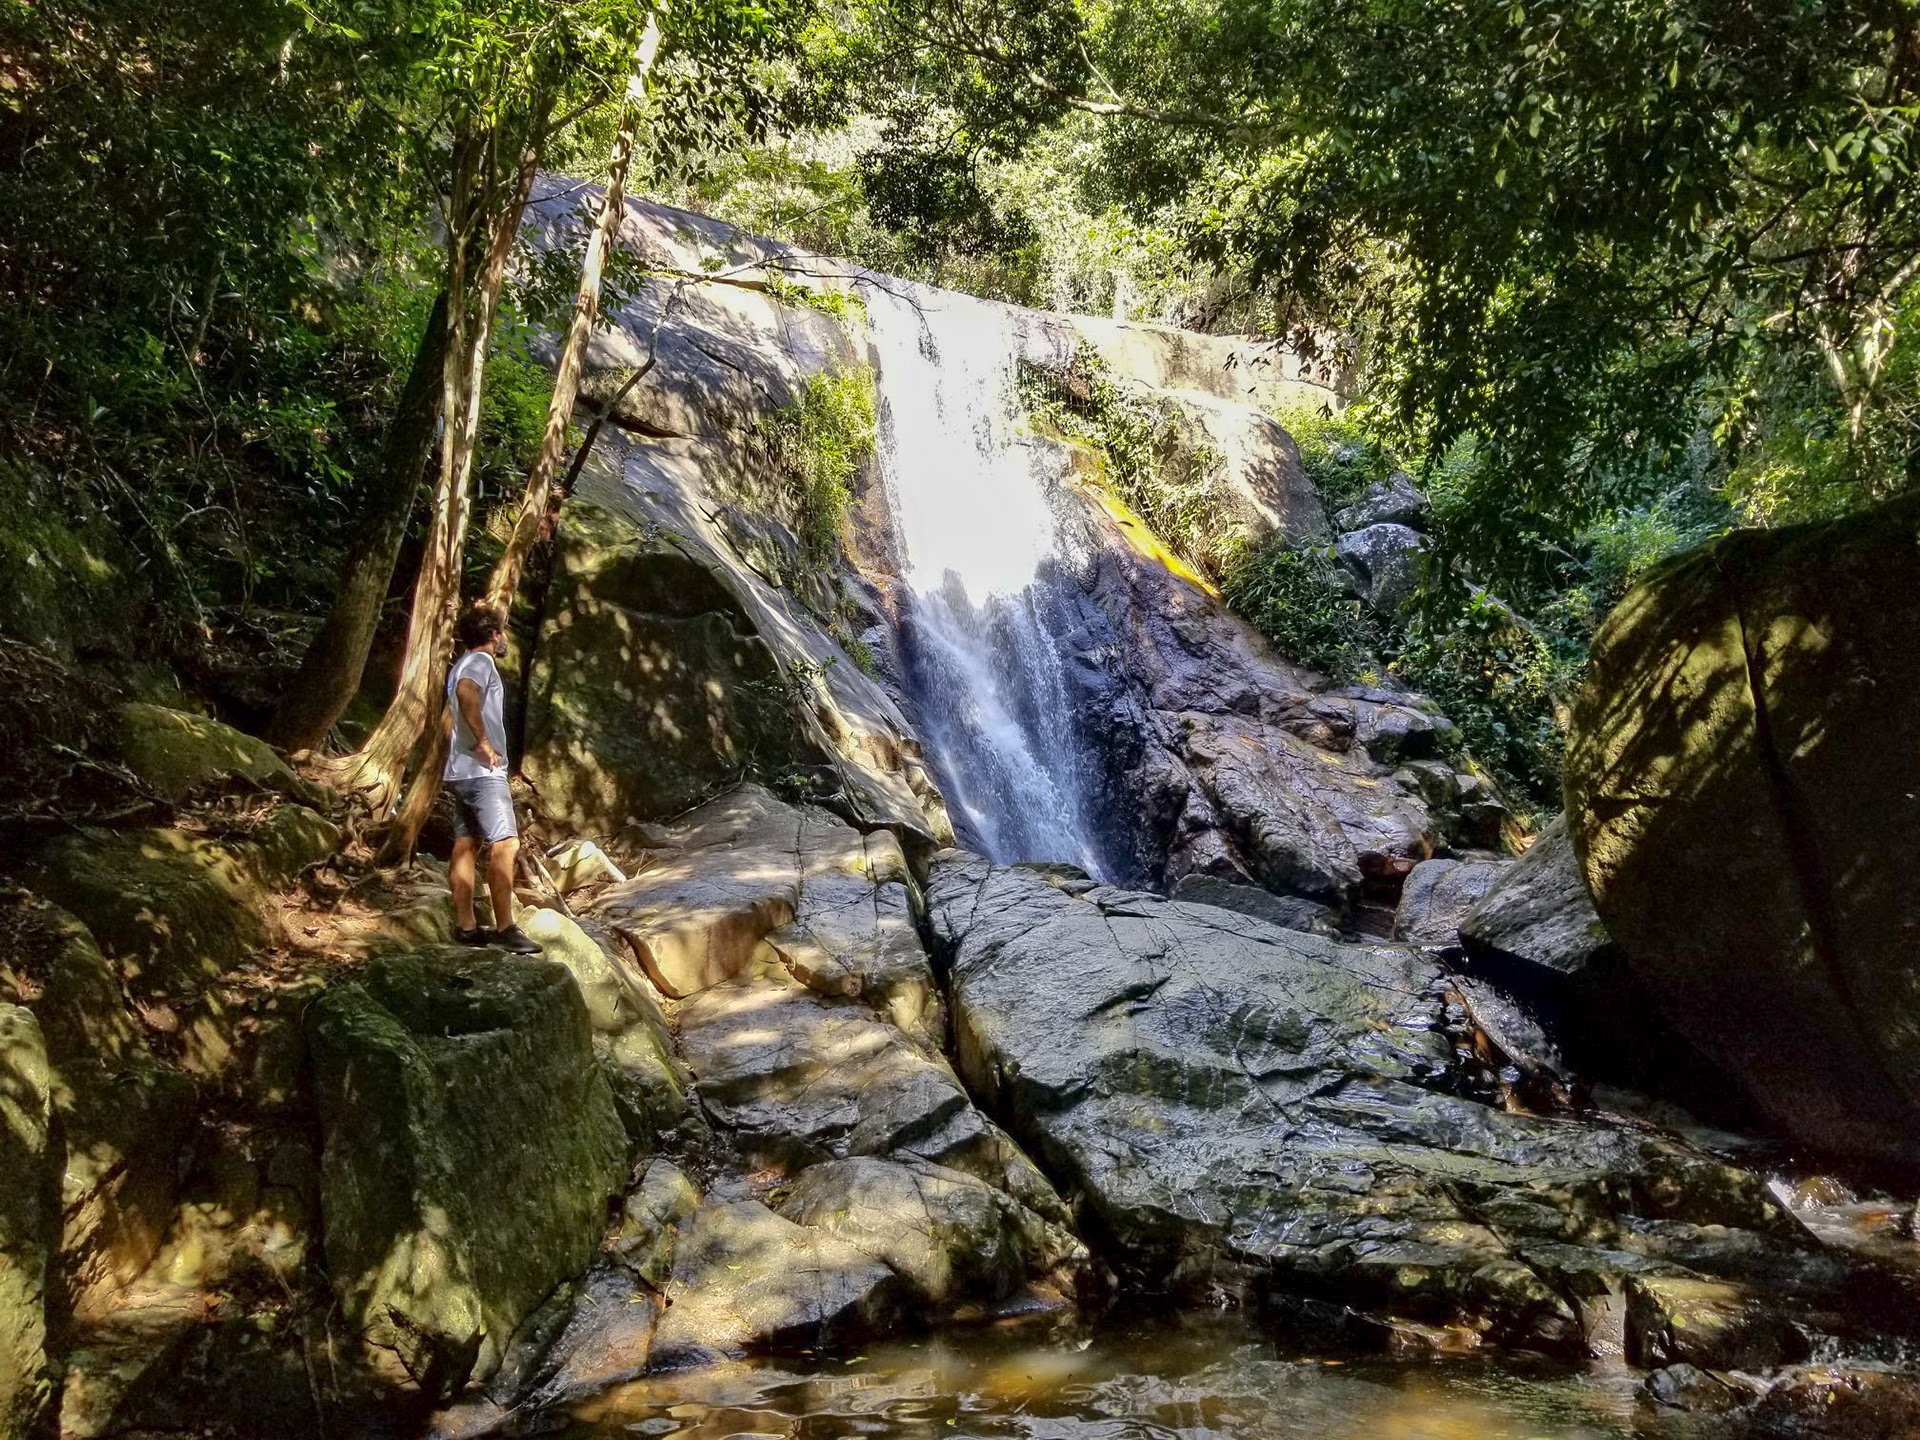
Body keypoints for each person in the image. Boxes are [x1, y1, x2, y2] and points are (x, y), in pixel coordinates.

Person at [443, 604, 542, 954]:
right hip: (484, 773)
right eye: (502, 632)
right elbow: (467, 694)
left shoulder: (460, 664)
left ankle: (467, 927)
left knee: (466, 845)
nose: (504, 639)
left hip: (460, 771)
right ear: (493, 635)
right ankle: (506, 928)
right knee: (506, 844)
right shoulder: (480, 663)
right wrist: (484, 744)